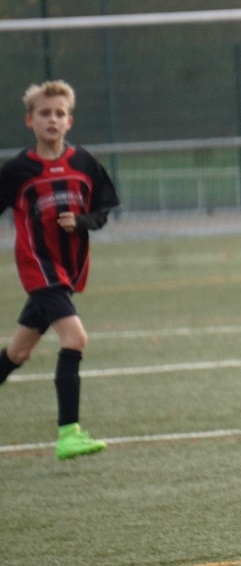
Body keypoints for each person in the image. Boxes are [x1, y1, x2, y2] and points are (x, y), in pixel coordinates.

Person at [0, 80, 120, 459]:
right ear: (29, 121)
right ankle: (69, 435)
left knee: (18, 352)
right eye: (44, 113)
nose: (52, 119)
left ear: (69, 121)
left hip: (67, 272)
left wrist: (82, 221)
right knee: (75, 338)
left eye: (59, 114)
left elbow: (102, 211)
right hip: (39, 271)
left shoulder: (84, 163)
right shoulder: (18, 170)